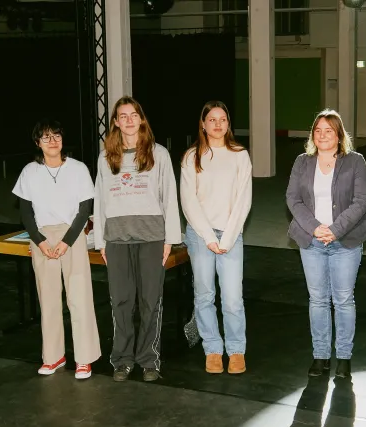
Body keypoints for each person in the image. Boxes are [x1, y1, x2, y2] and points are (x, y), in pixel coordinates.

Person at [94, 96, 181, 383]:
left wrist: (169, 239)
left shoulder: (159, 154)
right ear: (116, 122)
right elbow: (99, 200)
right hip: (116, 239)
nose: (129, 120)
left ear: (141, 119)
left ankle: (149, 360)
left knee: (149, 301)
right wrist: (101, 241)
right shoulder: (106, 157)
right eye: (123, 116)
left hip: (151, 237)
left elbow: (169, 197)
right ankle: (122, 360)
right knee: (121, 301)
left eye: (134, 115)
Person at [285, 109, 366, 379]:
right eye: (318, 130)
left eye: (329, 131)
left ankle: (344, 358)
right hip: (311, 240)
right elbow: (293, 199)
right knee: (318, 300)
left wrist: (335, 230)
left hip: (345, 240)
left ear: (339, 135)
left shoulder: (355, 161)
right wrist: (315, 227)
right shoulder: (302, 162)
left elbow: (362, 200)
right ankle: (321, 355)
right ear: (312, 135)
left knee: (344, 300)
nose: (323, 135)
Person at [12, 119, 101, 379]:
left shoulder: (78, 169)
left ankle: (84, 358)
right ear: (38, 143)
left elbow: (85, 210)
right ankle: (53, 356)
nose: (52, 141)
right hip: (42, 236)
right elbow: (25, 212)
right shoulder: (30, 171)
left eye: (57, 136)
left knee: (79, 297)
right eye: (46, 137)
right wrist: (39, 241)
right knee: (48, 299)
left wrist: (67, 241)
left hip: (71, 234)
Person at [180, 101, 252, 375]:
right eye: (212, 119)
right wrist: (209, 237)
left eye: (223, 119)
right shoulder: (192, 157)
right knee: (205, 295)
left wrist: (228, 237)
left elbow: (244, 200)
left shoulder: (240, 155)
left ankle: (236, 350)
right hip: (201, 235)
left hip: (231, 234)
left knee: (232, 298)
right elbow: (188, 201)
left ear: (228, 124)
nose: (218, 124)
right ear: (203, 124)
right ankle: (212, 349)